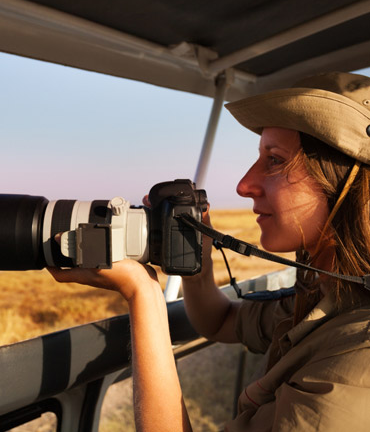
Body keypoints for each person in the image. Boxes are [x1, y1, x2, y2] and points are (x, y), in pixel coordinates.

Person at [49, 71, 370, 432]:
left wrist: (143, 293)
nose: (243, 185)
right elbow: (221, 321)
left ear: (346, 182)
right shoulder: (332, 292)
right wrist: (196, 258)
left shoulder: (356, 372)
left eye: (275, 160)